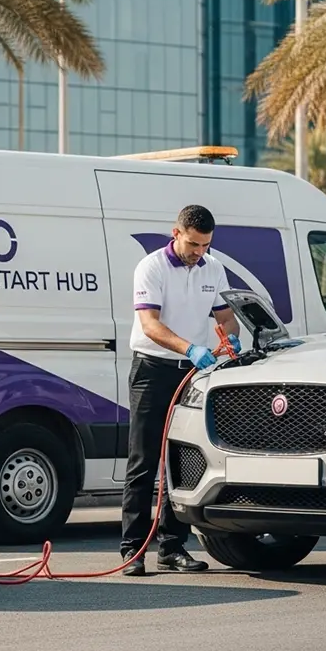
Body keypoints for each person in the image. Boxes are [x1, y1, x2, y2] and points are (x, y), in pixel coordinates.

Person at [120, 204, 241, 576]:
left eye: (205, 245)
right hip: (152, 370)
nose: (198, 252)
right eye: (193, 244)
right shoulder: (152, 267)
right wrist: (189, 347)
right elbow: (150, 324)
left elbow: (225, 316)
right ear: (177, 233)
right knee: (144, 461)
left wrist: (230, 338)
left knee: (180, 461)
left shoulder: (213, 267)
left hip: (190, 375)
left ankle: (172, 548)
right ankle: (132, 550)